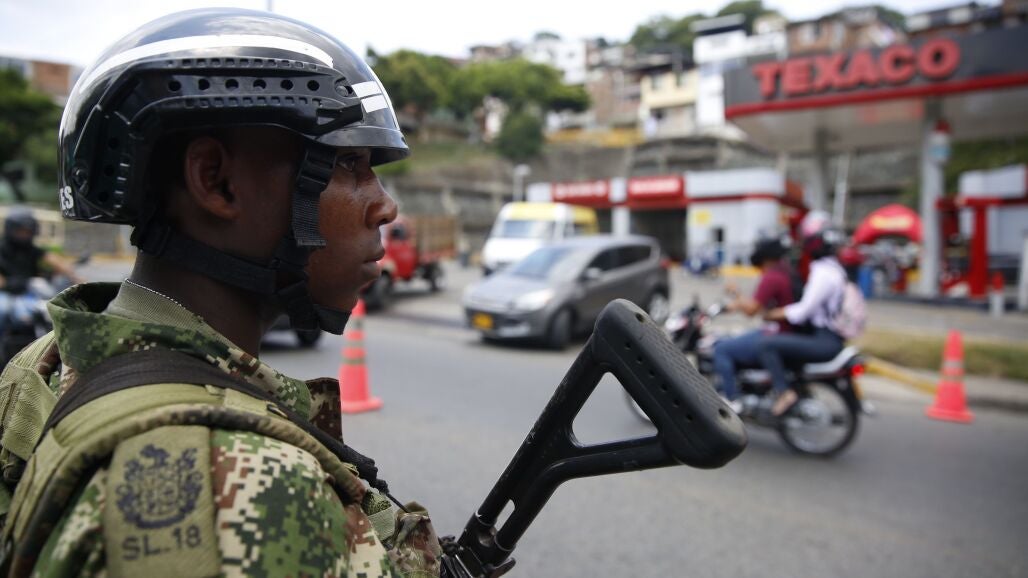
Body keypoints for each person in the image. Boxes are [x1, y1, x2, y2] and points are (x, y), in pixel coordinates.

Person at [0, 9, 440, 578]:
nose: (385, 205)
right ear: (216, 181)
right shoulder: (250, 485)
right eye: (349, 162)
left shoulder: (37, 370)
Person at [760, 230, 848, 416]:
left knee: (767, 345)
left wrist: (774, 314)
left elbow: (804, 311)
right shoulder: (835, 269)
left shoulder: (823, 272)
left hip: (824, 339)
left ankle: (784, 392)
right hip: (829, 337)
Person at [712, 237, 796, 412]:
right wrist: (736, 305)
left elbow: (751, 309)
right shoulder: (785, 272)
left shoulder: (772, 277)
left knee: (721, 348)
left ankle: (731, 400)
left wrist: (735, 293)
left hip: (774, 334)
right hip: (781, 331)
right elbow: (760, 307)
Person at [0, 209, 83, 335]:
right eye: (22, 231)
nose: (25, 235)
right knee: (3, 310)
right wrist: (23, 282)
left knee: (47, 310)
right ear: (11, 229)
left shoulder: (30, 249)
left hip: (29, 292)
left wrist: (74, 277)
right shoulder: (2, 249)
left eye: (28, 231)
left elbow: (53, 260)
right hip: (6, 292)